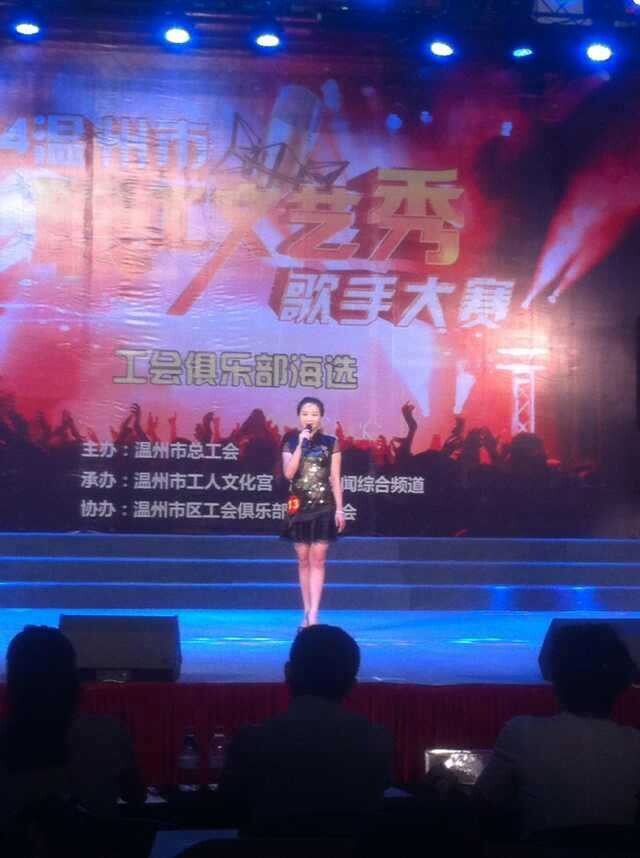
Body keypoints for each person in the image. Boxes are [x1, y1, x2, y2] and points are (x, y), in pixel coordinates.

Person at [218, 625, 393, 837]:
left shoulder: (252, 741)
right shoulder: (377, 742)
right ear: (352, 684)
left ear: (288, 672)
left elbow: (229, 807)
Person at [474, 623, 640, 838]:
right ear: (619, 685)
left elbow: (484, 802)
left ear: (557, 680)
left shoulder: (522, 732)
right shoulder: (635, 743)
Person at [0, 625, 145, 827]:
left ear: (14, 679)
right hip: (96, 843)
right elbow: (135, 796)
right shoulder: (108, 731)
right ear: (72, 676)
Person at [281, 397, 345, 628]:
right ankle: (306, 611)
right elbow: (288, 473)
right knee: (303, 559)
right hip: (298, 506)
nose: (310, 417)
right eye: (306, 413)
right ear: (299, 417)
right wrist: (301, 445)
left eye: (315, 414)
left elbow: (335, 478)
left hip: (324, 506)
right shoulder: (290, 442)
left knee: (318, 559)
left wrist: (340, 509)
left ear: (321, 417)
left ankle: (315, 613)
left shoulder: (331, 442)